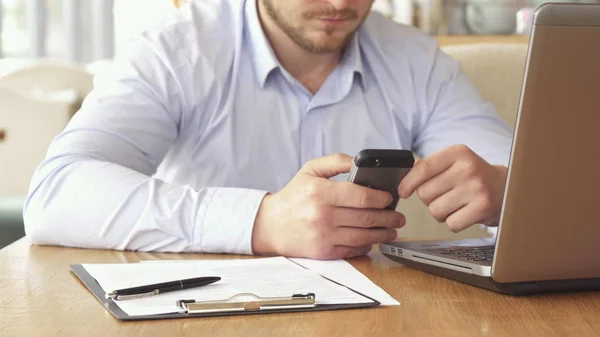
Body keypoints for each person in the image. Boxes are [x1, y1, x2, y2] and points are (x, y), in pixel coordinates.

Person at [23, 0, 513, 260]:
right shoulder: (175, 52)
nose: (341, 2)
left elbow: (515, 177)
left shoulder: (416, 59)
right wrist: (260, 221)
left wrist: (509, 190)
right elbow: (55, 194)